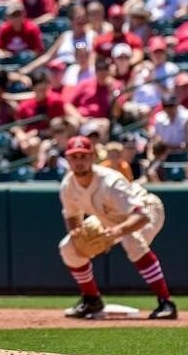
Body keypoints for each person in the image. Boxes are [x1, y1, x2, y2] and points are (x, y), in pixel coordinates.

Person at [59, 135, 177, 320]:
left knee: (131, 241)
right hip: (109, 217)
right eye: (74, 157)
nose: (79, 161)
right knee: (68, 248)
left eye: (83, 156)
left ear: (92, 157)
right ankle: (92, 300)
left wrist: (119, 231)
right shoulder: (68, 185)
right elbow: (72, 216)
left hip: (148, 209)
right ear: (67, 159)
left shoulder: (111, 182)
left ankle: (166, 303)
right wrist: (76, 234)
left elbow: (142, 216)